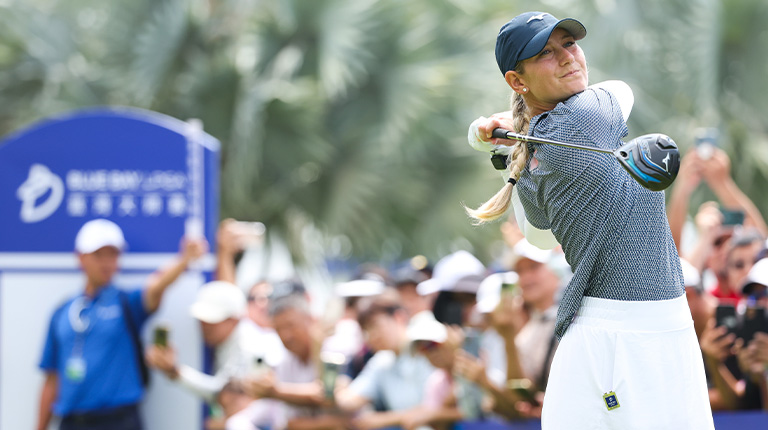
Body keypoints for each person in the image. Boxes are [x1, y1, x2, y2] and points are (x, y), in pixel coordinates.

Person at [466, 12, 713, 428]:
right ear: (517, 80)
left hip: (651, 325)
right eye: (546, 53)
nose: (568, 57)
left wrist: (497, 140)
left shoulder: (533, 159)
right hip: (620, 333)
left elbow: (538, 237)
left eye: (569, 44)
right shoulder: (585, 116)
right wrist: (507, 134)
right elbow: (621, 89)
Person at [37, 219, 207, 430]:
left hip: (119, 420)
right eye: (99, 255)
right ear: (80, 257)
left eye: (113, 255)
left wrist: (184, 260)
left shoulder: (126, 302)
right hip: (73, 422)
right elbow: (51, 379)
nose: (107, 262)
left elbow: (157, 285)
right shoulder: (62, 311)